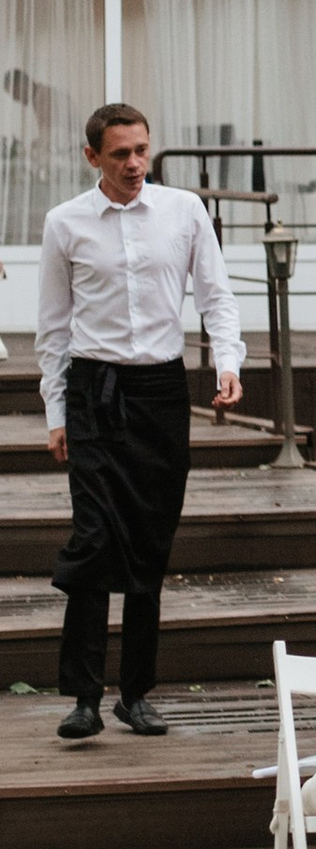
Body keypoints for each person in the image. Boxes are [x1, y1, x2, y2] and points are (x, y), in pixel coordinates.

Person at [37, 102, 245, 742]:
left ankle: (135, 693)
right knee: (95, 538)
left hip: (159, 390)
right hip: (93, 390)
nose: (134, 164)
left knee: (150, 540)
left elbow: (216, 294)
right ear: (92, 156)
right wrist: (55, 410)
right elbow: (52, 326)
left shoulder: (184, 212)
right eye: (120, 154)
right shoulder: (64, 223)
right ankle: (83, 697)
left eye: (141, 151)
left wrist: (228, 364)